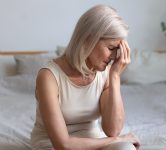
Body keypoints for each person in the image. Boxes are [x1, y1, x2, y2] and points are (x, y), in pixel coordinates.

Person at [31, 4, 140, 150]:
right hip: (53, 146)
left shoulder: (106, 73)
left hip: (93, 142)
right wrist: (117, 139)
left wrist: (114, 77)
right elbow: (63, 144)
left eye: (117, 50)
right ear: (89, 39)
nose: (114, 57)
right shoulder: (48, 76)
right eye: (111, 48)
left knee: (125, 148)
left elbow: (112, 130)